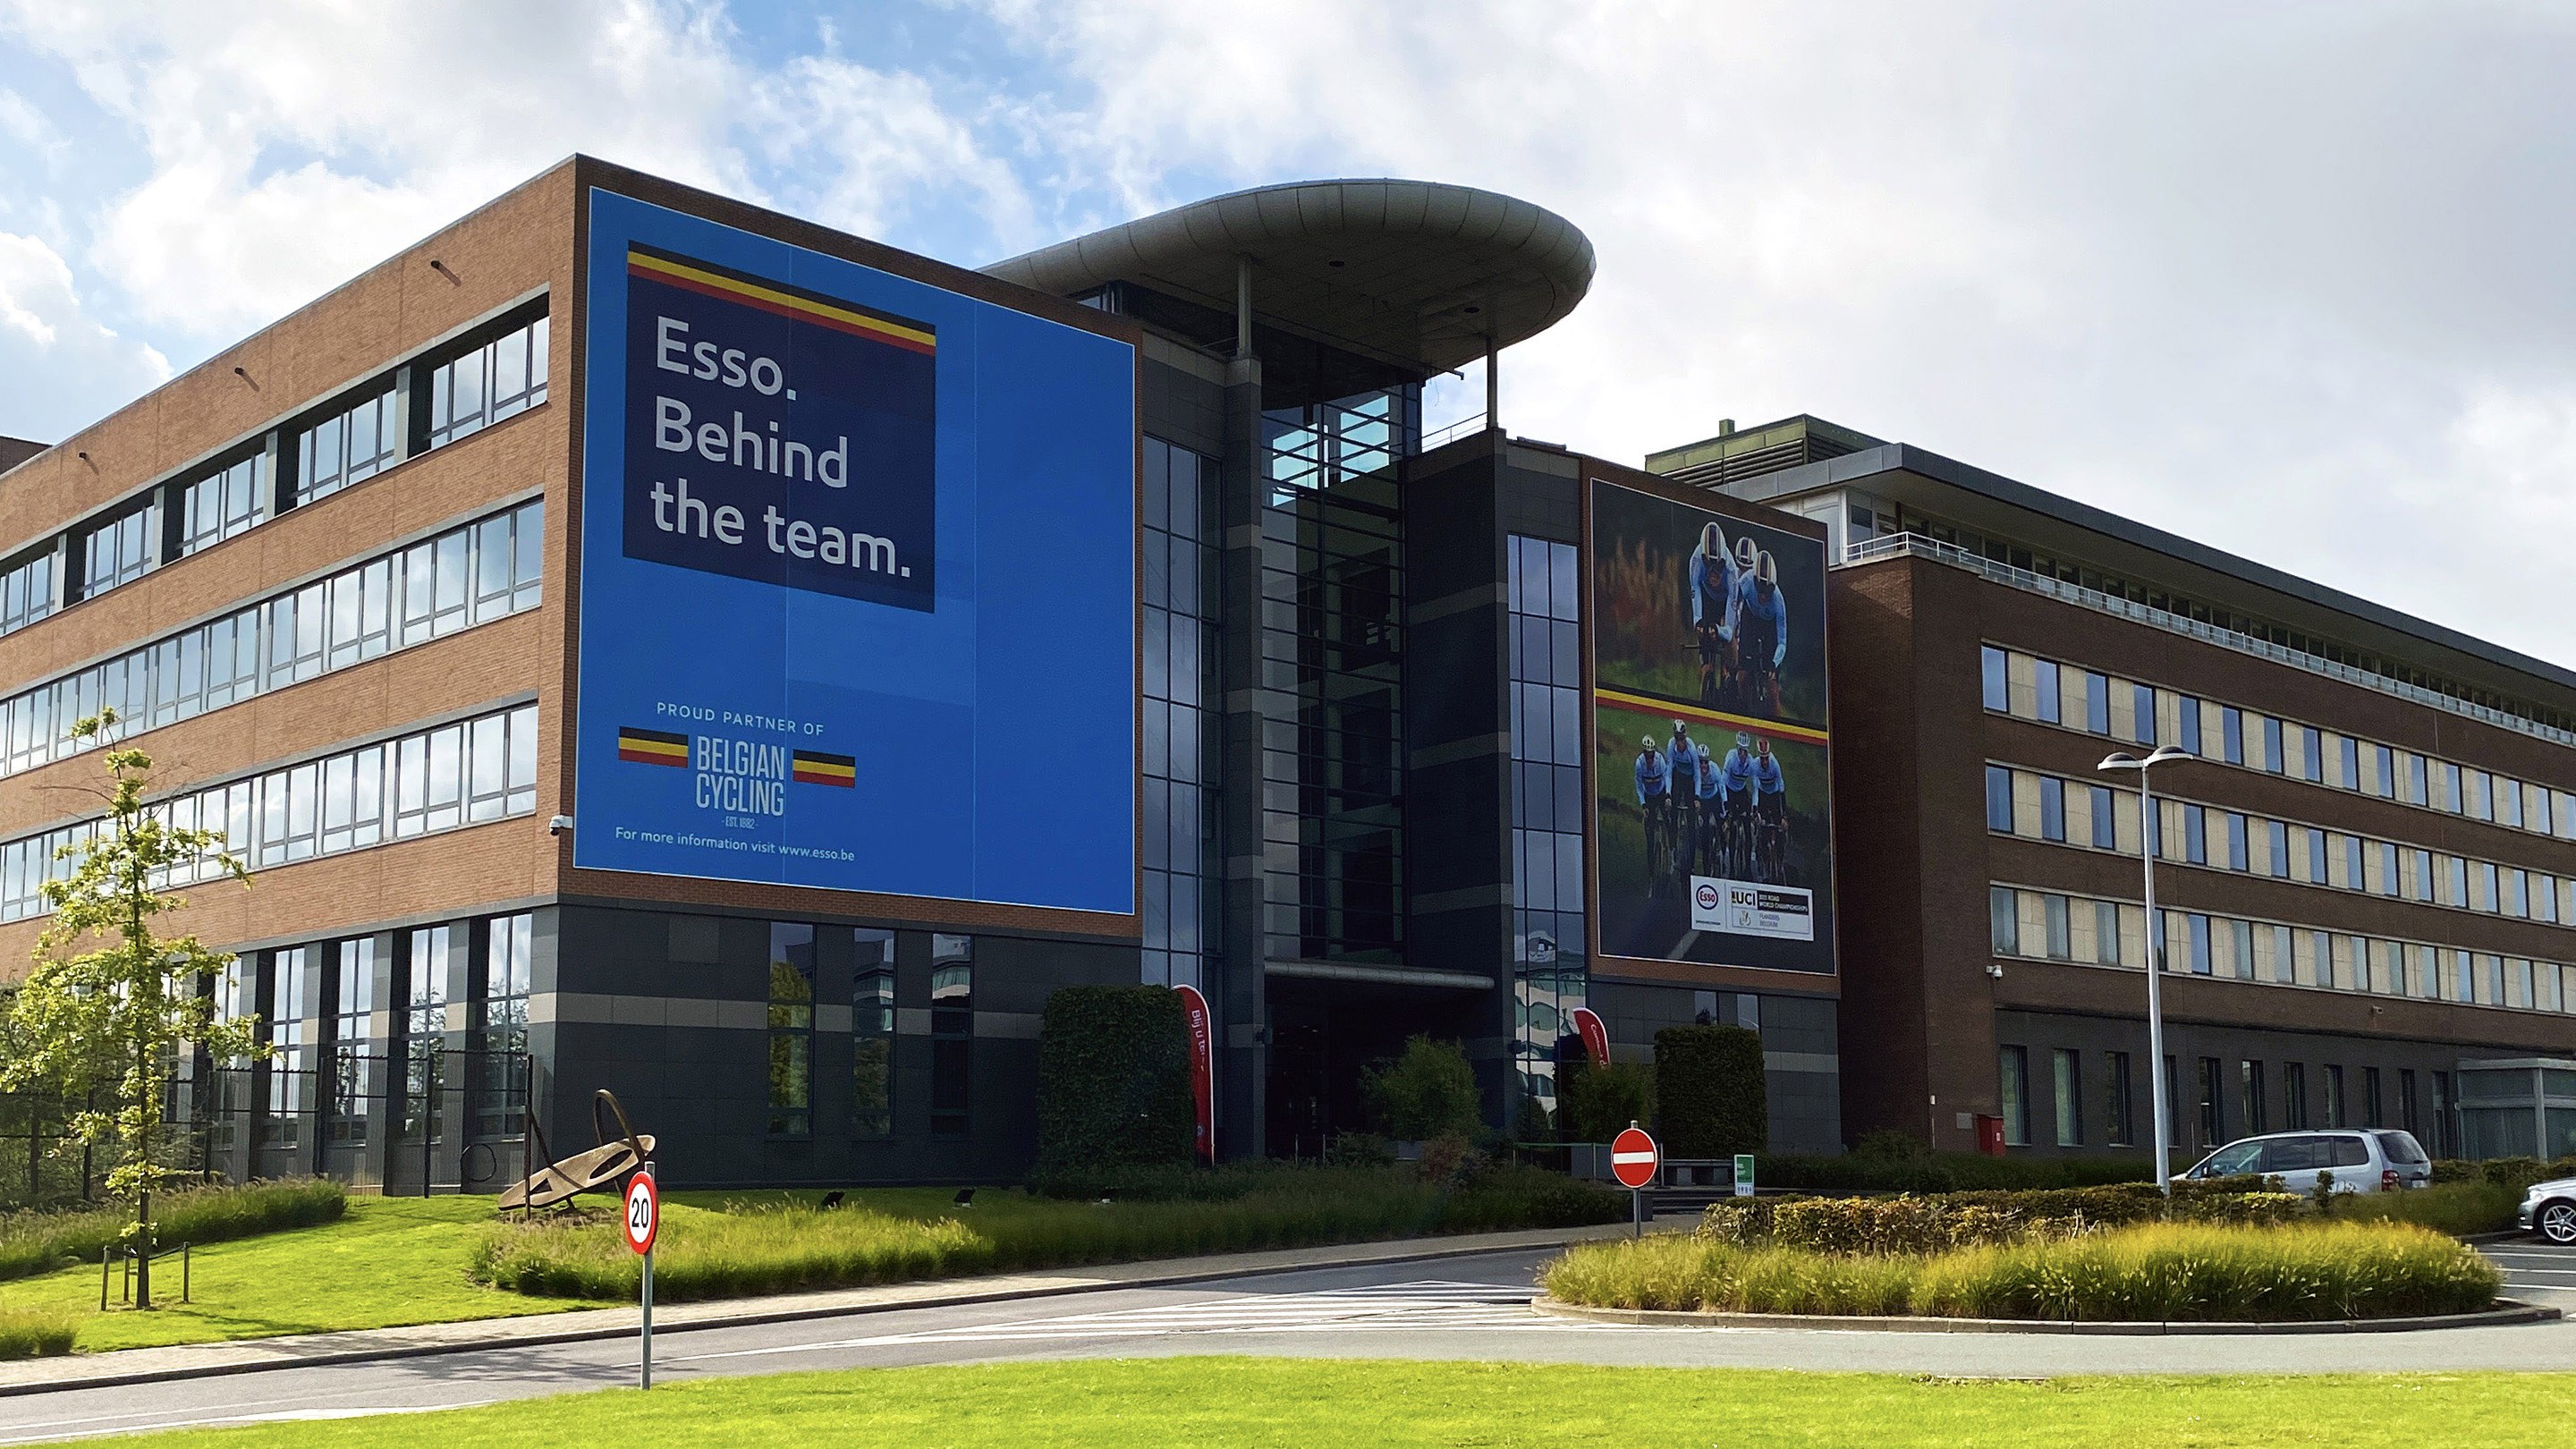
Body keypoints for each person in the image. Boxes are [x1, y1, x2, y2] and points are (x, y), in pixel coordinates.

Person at [1733, 549, 1791, 716]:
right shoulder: (1745, 581)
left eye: (1768, 591)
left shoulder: (1778, 601)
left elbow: (1782, 641)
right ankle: (1745, 709)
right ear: (1754, 581)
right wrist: (1732, 631)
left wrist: (1774, 662)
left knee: (1772, 688)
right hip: (1750, 619)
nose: (1763, 596)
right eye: (1760, 589)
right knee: (1743, 676)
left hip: (1770, 627)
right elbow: (1732, 606)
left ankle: (1777, 724)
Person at [1687, 522, 1738, 706]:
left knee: (1727, 637)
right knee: (1704, 635)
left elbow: (1730, 626)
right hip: (1707, 599)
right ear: (1703, 559)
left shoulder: (1731, 570)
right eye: (1709, 565)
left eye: (1719, 566)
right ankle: (1706, 678)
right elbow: (1695, 593)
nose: (1714, 572)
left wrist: (1722, 631)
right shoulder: (1695, 560)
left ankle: (1727, 676)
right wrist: (1698, 621)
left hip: (1726, 602)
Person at [1717, 731, 1758, 876]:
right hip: (1729, 790)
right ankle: (1732, 868)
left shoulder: (1751, 762)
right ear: (1737, 749)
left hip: (1741, 791)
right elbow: (1722, 784)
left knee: (1747, 828)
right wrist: (1726, 803)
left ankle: (1747, 867)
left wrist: (1754, 806)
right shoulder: (1731, 758)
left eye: (1745, 752)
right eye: (1740, 751)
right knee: (1733, 825)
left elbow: (1755, 786)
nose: (1742, 755)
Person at [1750, 735, 1790, 881]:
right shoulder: (1754, 765)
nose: (1764, 762)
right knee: (1763, 829)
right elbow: (1754, 789)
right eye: (1762, 758)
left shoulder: (1774, 765)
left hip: (1774, 795)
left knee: (1780, 830)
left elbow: (1781, 790)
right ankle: (1762, 857)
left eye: (1766, 758)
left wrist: (1784, 816)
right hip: (1763, 796)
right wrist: (1755, 811)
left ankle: (1780, 863)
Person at [1632, 733, 1672, 871]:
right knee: (1650, 832)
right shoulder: (1640, 764)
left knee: (1669, 820)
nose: (1650, 759)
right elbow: (1639, 785)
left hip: (1661, 792)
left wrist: (1668, 796)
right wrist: (1643, 805)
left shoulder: (1660, 761)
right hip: (1649, 795)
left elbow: (1667, 778)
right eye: (1647, 756)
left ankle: (1671, 851)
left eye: (1651, 755)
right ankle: (1651, 867)